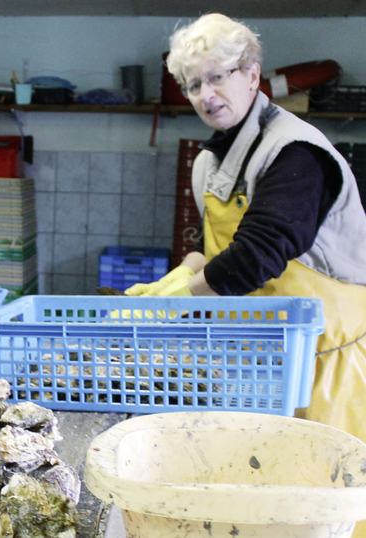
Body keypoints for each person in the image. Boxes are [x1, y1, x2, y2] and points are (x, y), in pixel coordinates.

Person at [128, 10, 366, 469]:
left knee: (326, 496)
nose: (206, 96)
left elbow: (258, 254)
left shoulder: (295, 151)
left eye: (217, 77)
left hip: (327, 366)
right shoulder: (211, 163)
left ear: (252, 74)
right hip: (259, 364)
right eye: (193, 85)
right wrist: (183, 272)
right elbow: (220, 253)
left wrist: (181, 299)